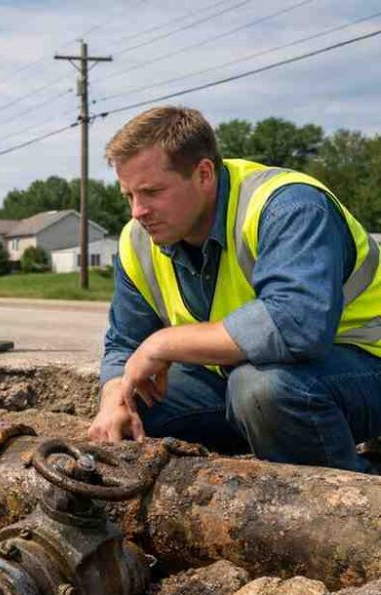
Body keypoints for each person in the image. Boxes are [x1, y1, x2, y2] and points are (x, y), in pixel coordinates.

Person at [87, 106, 381, 473]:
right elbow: (124, 344)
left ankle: (356, 501)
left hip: (363, 365)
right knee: (133, 404)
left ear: (204, 174)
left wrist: (162, 343)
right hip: (248, 379)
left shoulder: (287, 206)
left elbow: (297, 326)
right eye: (127, 195)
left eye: (151, 192)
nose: (137, 211)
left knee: (261, 390)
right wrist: (114, 397)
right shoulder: (138, 240)